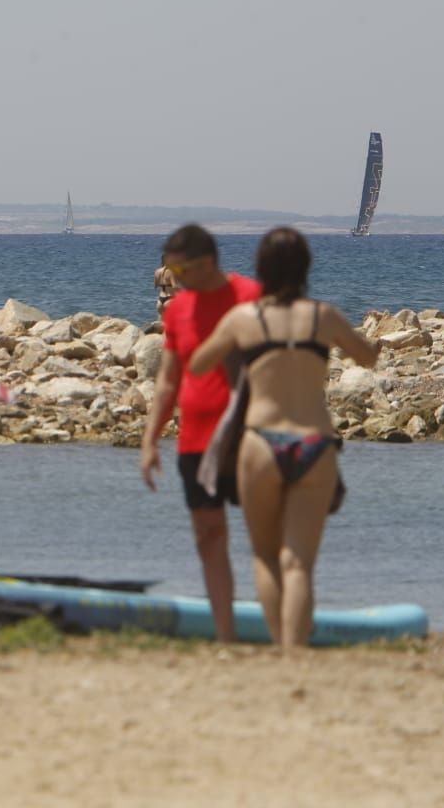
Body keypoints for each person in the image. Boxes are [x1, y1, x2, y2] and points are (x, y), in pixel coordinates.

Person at [189, 227, 380, 648]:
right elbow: (367, 357)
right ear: (305, 267)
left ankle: (278, 648)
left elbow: (200, 364)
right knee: (299, 564)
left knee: (266, 556)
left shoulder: (244, 318)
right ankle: (295, 653)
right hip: (315, 442)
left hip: (260, 442)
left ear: (261, 268)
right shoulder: (322, 316)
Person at [139, 224, 262, 642]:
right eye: (168, 269)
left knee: (265, 538)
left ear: (207, 262)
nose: (172, 278)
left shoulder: (250, 297)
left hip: (249, 436)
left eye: (179, 268)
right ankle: (226, 637)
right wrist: (150, 439)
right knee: (209, 539)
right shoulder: (177, 310)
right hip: (195, 439)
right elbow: (168, 380)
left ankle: (283, 631)